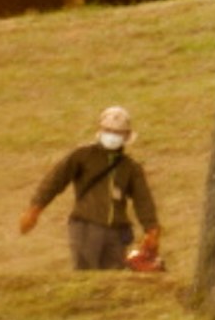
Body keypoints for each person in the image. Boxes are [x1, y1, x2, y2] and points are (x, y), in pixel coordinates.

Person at [20, 104, 160, 271]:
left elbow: (143, 200)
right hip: (85, 228)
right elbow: (55, 181)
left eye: (118, 132)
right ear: (100, 130)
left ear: (127, 136)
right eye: (109, 130)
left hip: (116, 234)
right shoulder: (82, 156)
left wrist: (151, 229)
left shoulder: (130, 167)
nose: (112, 136)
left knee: (113, 282)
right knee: (85, 275)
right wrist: (35, 209)